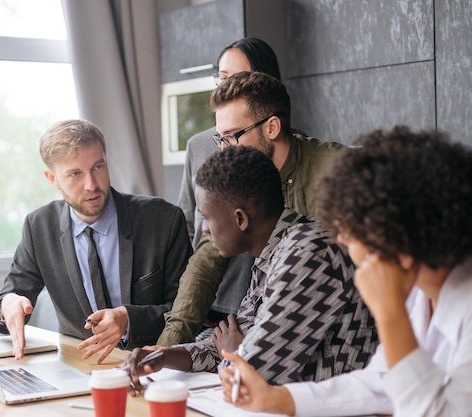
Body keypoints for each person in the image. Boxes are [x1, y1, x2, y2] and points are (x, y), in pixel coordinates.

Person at [219, 126, 472, 416]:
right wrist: (280, 399)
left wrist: (391, 315)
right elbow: (381, 383)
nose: (343, 246)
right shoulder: (421, 291)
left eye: (351, 236)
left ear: (397, 242)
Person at [127, 145, 377, 390]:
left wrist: (235, 350)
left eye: (207, 217)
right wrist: (164, 357)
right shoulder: (274, 251)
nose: (204, 228)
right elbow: (228, 345)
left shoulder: (307, 254)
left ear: (240, 219)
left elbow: (249, 378)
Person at [158, 70, 347, 346]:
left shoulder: (341, 171)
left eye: (233, 136)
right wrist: (166, 347)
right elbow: (206, 262)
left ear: (272, 127)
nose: (225, 151)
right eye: (220, 139)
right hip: (263, 331)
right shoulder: (236, 178)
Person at [0, 119, 192, 364]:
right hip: (79, 365)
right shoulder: (39, 227)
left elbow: (189, 311)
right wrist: (6, 305)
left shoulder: (163, 220)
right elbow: (9, 298)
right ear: (52, 179)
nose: (92, 185)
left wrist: (128, 319)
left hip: (152, 363)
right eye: (75, 174)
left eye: (98, 167)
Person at [169, 38, 285, 341]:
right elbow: (190, 224)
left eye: (237, 78)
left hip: (266, 305)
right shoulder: (200, 145)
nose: (226, 86)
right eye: (222, 78)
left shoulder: (282, 146)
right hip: (210, 303)